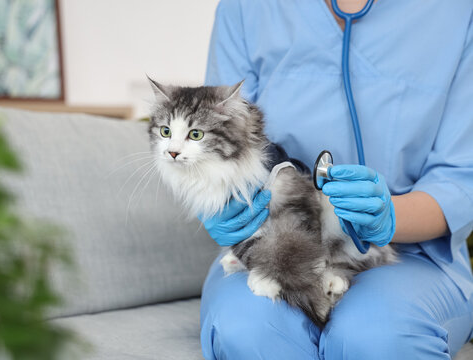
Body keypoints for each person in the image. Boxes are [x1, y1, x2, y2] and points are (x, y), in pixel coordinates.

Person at [199, 0, 473, 359]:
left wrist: (388, 216)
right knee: (247, 329)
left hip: (410, 257)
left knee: (378, 337)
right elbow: (212, 135)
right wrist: (223, 207)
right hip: (269, 243)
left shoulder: (459, 12)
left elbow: (460, 177)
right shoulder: (246, 7)